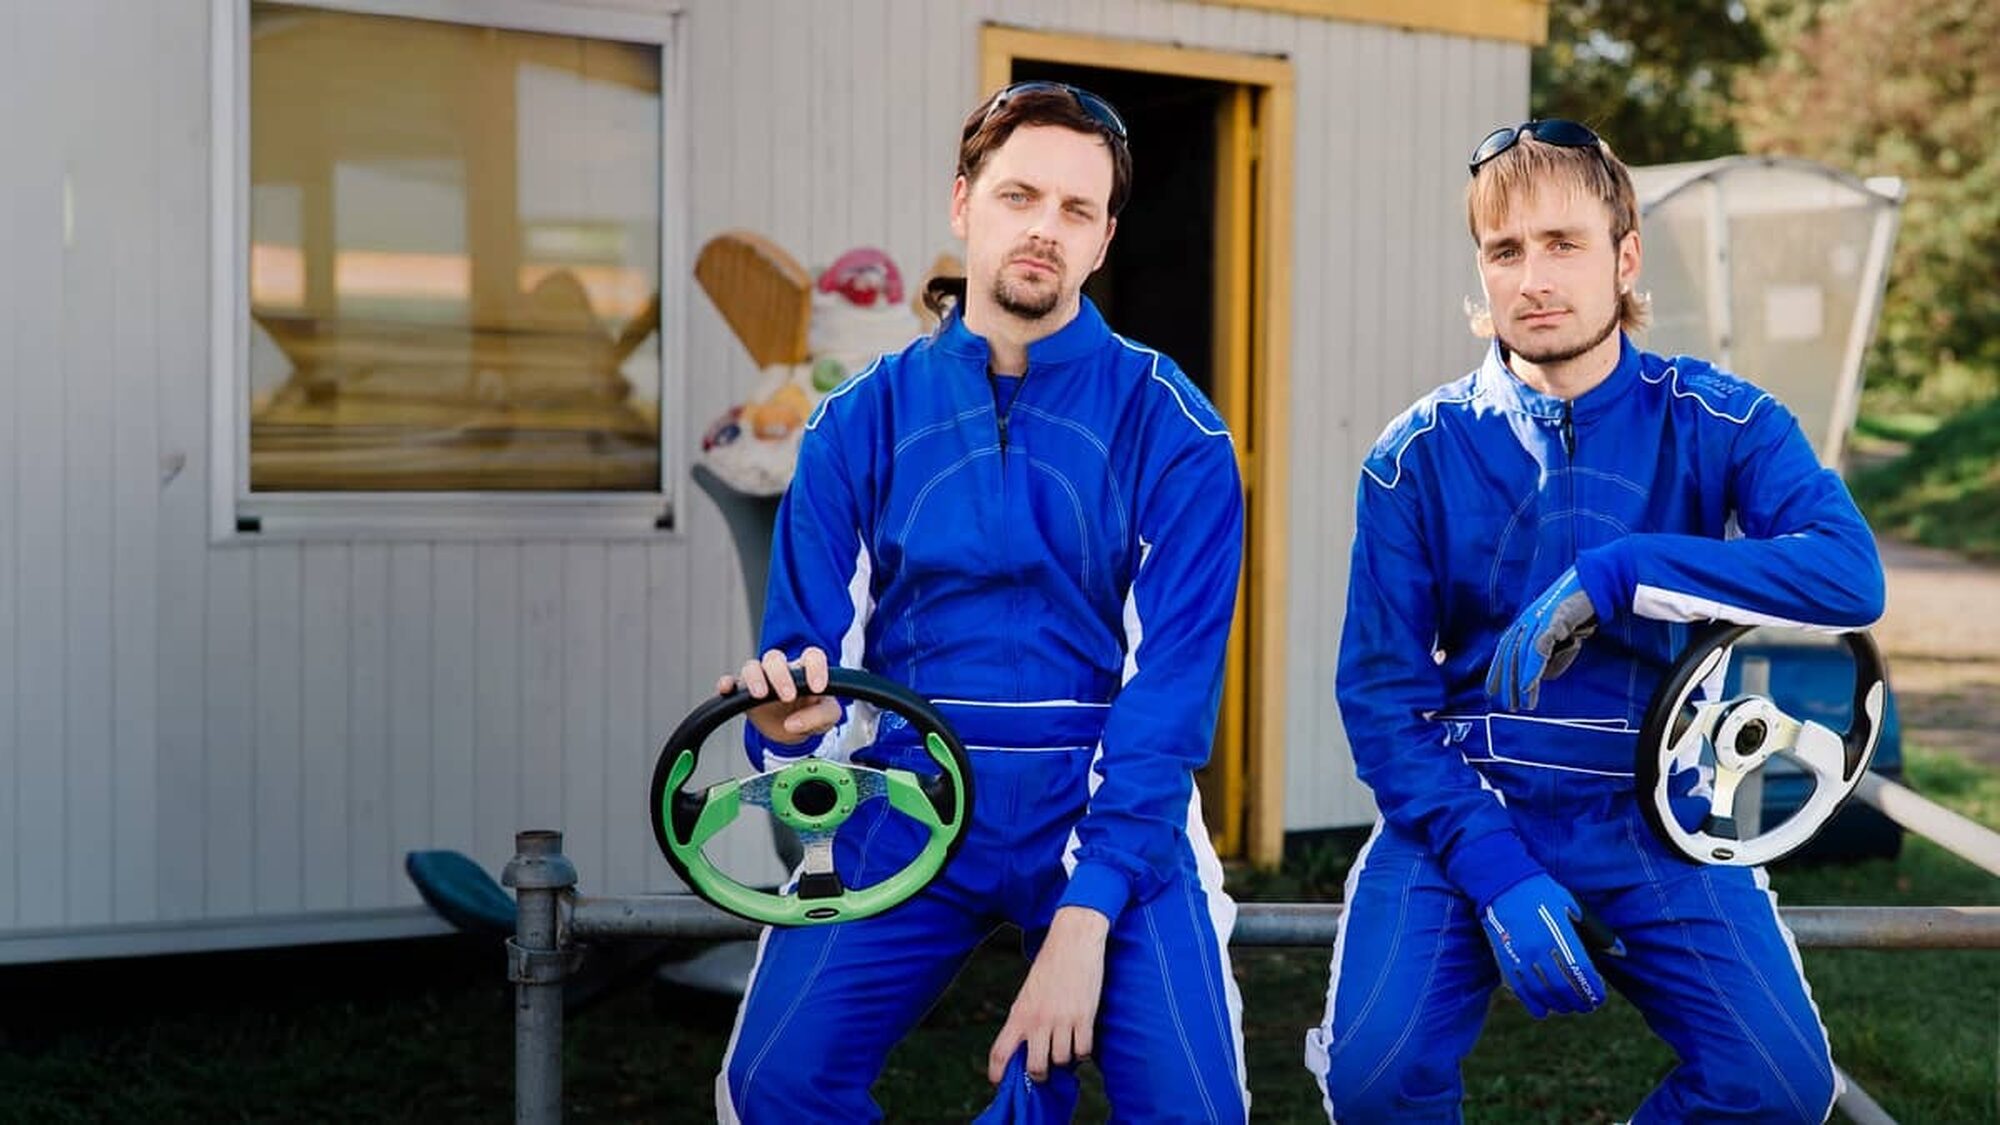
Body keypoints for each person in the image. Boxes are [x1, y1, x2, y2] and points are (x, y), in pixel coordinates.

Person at [1303, 119, 1885, 1123]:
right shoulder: (1413, 456)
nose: (1532, 277)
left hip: (1654, 804)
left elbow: (1847, 576)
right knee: (1372, 1078)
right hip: (1465, 802)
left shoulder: (1720, 418)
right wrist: (1493, 870)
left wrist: (1622, 572)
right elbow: (1380, 699)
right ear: (1480, 273)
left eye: (1561, 244)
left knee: (1776, 1084)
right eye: (1504, 250)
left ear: (1622, 258)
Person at [712, 81, 1250, 1123]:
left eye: (1076, 210)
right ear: (963, 205)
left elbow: (1165, 707)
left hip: (1107, 806)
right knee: (766, 1085)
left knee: (1194, 1112)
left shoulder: (1173, 430)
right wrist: (781, 733)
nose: (1043, 229)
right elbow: (803, 672)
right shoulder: (852, 427)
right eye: (1018, 196)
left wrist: (1083, 923)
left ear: (1101, 243)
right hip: (907, 797)